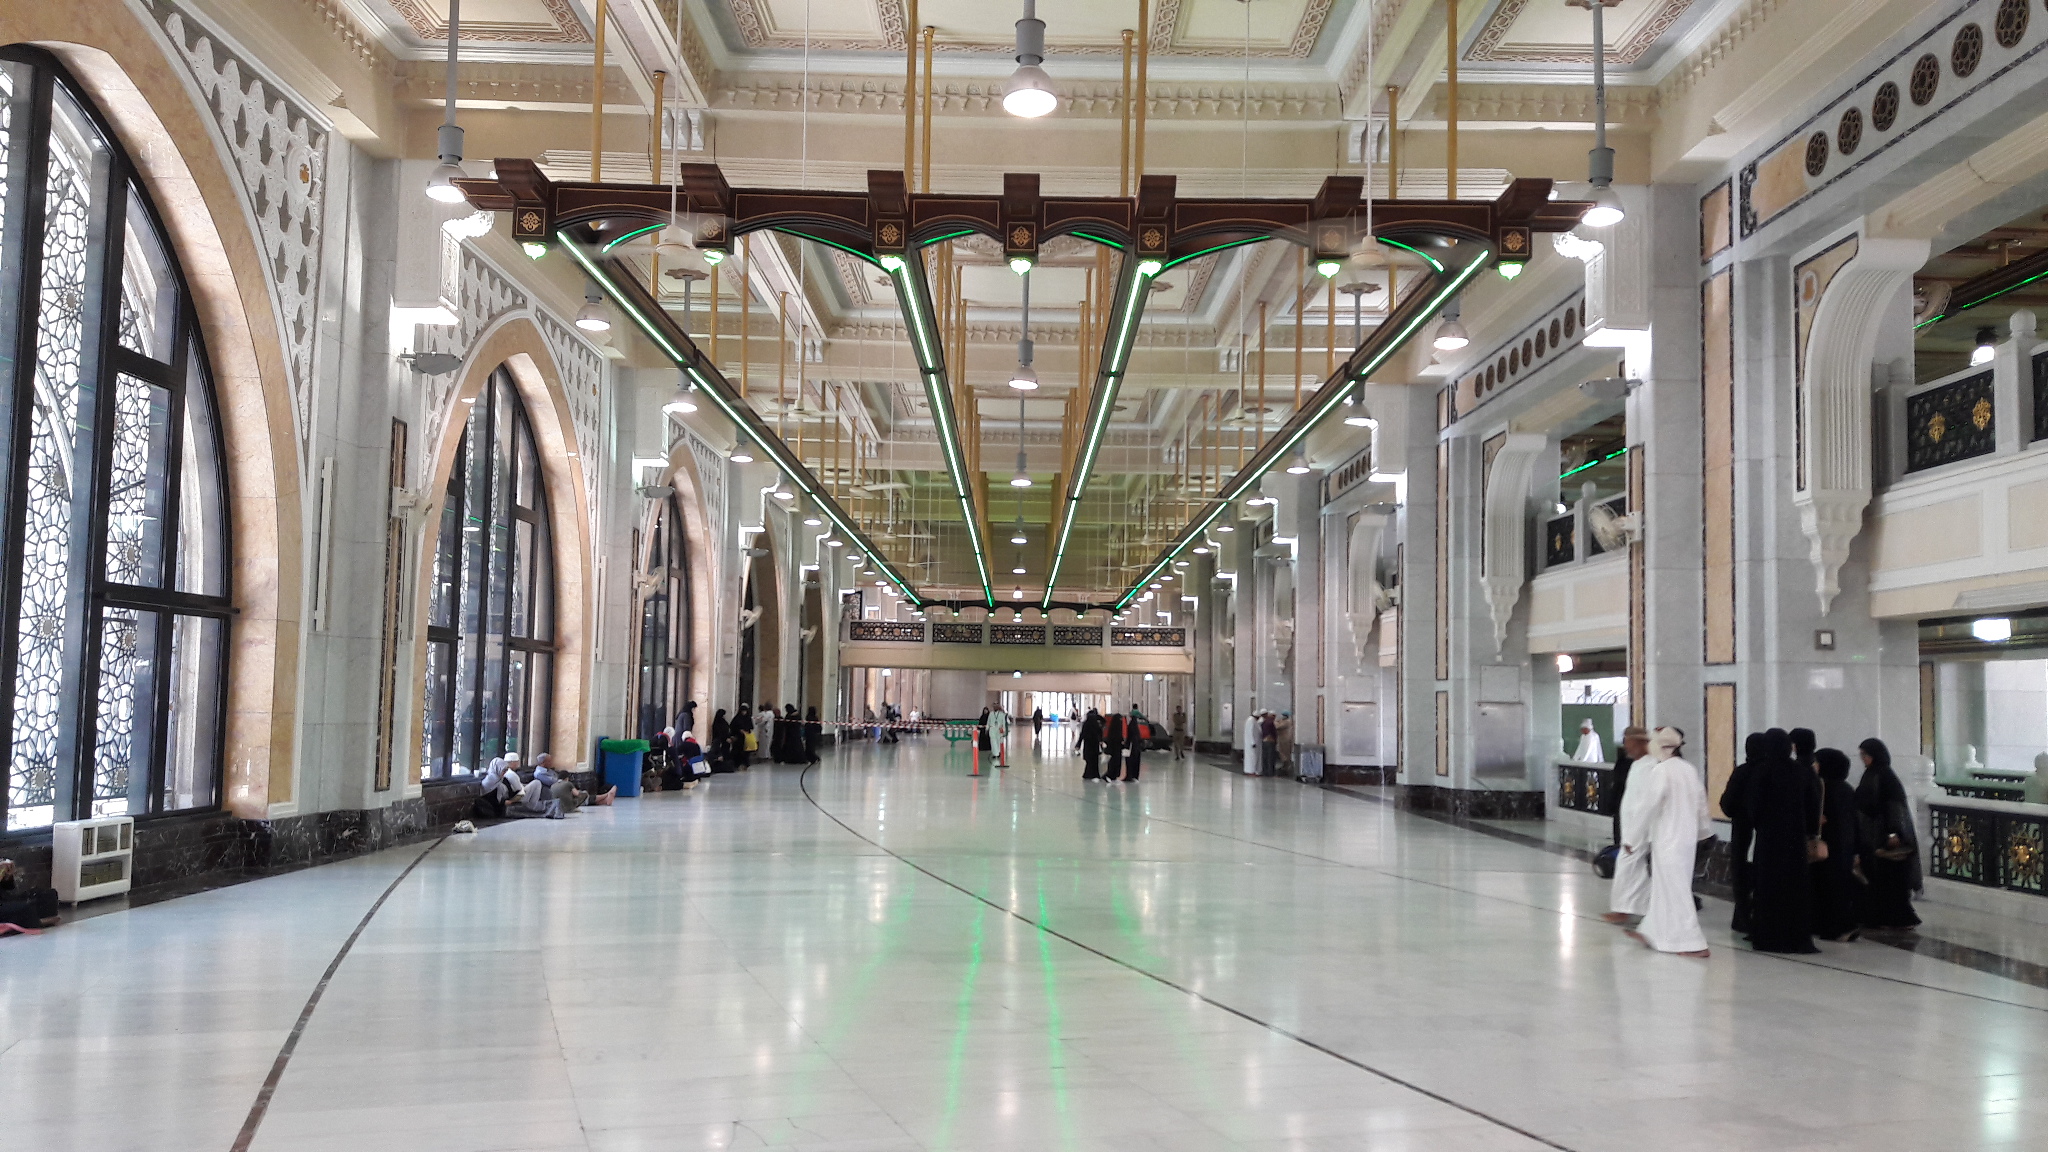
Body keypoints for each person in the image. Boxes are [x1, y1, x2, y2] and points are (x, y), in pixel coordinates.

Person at [1608, 727, 1712, 957]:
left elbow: (1647, 807)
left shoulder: (1661, 771)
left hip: (1668, 839)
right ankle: (1653, 932)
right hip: (1685, 839)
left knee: (1675, 890)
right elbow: (1701, 802)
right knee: (1664, 888)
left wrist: (1632, 838)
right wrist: (1703, 832)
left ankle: (1695, 944)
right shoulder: (1688, 769)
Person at [1745, 728, 1820, 953]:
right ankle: (1795, 937)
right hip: (1795, 839)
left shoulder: (1762, 771)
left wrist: (1761, 824)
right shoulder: (1802, 772)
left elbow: (1753, 806)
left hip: (1769, 840)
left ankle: (1769, 936)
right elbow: (1813, 806)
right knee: (1794, 887)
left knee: (1769, 887)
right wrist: (1809, 832)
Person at [1855, 737, 1922, 929]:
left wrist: (1893, 832)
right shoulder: (1871, 774)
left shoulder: (1885, 777)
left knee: (1889, 878)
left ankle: (1898, 918)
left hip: (1885, 834)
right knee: (1876, 877)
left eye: (1865, 755)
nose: (1863, 758)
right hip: (1873, 835)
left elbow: (1894, 807)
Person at [1812, 747, 1861, 941]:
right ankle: (1844, 925)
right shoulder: (1847, 789)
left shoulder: (1823, 788)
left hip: (1827, 845)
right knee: (1841, 886)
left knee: (1826, 887)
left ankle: (1835, 928)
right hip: (1845, 846)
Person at [1718, 733, 1766, 935]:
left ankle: (1743, 919)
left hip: (1743, 831)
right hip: (1767, 834)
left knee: (1742, 876)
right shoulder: (1773, 771)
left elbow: (1727, 804)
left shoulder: (1743, 772)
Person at [1606, 727, 1649, 847]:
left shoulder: (1650, 765)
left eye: (1628, 742)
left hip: (1638, 821)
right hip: (1621, 808)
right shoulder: (1624, 761)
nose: (1626, 746)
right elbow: (1617, 782)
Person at [1079, 707, 1105, 780]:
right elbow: (1100, 733)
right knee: (1094, 760)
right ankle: (1094, 774)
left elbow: (1082, 735)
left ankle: (1088, 774)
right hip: (1095, 745)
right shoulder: (1096, 725)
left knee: (1089, 760)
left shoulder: (1086, 725)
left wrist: (1078, 744)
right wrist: (1101, 741)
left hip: (1088, 745)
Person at [1124, 706, 1147, 782]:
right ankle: (1134, 776)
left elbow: (1129, 737)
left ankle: (1130, 776)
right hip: (1136, 747)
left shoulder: (1131, 725)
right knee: (1136, 761)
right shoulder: (1136, 727)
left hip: (1132, 747)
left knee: (1130, 761)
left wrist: (1126, 744)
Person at [1103, 708, 1127, 782]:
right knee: (1114, 762)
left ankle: (1114, 775)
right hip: (1114, 749)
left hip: (1117, 749)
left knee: (1116, 762)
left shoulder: (1115, 729)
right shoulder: (1114, 730)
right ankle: (1110, 775)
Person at [988, 702, 1012, 767]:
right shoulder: (991, 714)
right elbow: (988, 721)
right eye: (994, 706)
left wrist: (1004, 730)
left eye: (996, 706)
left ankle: (998, 752)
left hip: (999, 729)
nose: (995, 707)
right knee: (993, 741)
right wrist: (987, 728)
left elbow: (1004, 722)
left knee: (998, 741)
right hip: (992, 728)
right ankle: (995, 754)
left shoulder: (1001, 714)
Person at [732, 705, 754, 770]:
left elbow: (751, 727)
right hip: (739, 738)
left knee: (746, 752)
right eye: (743, 711)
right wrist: (739, 730)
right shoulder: (737, 718)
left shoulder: (748, 718)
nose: (744, 712)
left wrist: (746, 731)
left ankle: (745, 765)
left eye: (745, 711)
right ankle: (737, 764)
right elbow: (733, 726)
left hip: (746, 738)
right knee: (738, 751)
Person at [1258, 711, 1279, 776]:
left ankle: (1265, 771)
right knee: (1271, 757)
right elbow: (1273, 732)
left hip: (1264, 741)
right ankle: (1271, 772)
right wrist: (1275, 739)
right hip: (1270, 741)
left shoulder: (1264, 722)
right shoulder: (1271, 723)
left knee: (1265, 757)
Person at [1276, 711, 1295, 775]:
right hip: (1282, 739)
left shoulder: (1287, 722)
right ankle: (1285, 766)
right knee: (1282, 752)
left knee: (1285, 753)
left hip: (1285, 740)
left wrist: (1276, 722)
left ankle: (1286, 767)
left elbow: (1277, 726)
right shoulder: (1284, 721)